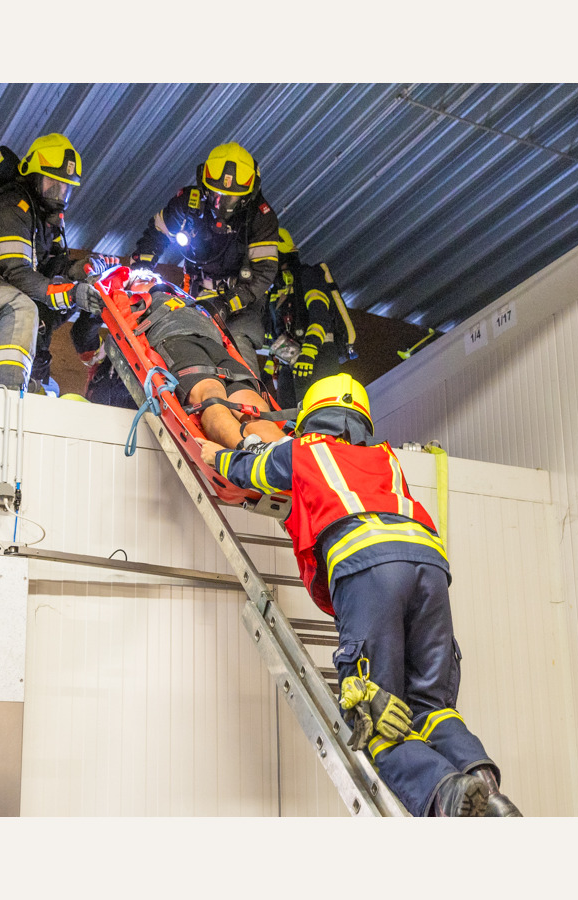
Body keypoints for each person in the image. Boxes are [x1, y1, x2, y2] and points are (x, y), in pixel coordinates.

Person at [197, 373, 522, 817]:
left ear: (312, 417)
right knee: (432, 708)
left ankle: (449, 796)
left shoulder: (304, 450)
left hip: (368, 567)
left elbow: (251, 471)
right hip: (429, 567)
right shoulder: (385, 458)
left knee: (374, 714)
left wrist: (217, 455)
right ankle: (492, 796)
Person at [0, 134, 105, 392]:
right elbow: (17, 274)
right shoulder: (13, 205)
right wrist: (71, 294)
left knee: (0, 351)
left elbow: (47, 273)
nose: (58, 193)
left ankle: (3, 395)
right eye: (52, 183)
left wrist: (78, 271)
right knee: (21, 309)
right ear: (33, 175)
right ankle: (8, 394)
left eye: (65, 188)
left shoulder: (43, 221)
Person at [130, 142, 279, 382]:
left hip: (241, 304)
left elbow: (264, 273)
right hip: (196, 295)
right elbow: (155, 234)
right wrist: (142, 268)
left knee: (239, 347)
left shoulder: (261, 217)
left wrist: (227, 304)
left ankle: (249, 395)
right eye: (216, 195)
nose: (222, 205)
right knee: (186, 341)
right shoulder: (188, 203)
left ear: (247, 196)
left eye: (231, 198)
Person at [91, 270, 287, 447]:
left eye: (155, 277)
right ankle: (247, 451)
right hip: (174, 339)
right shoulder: (131, 300)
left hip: (215, 343)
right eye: (141, 278)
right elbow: (101, 310)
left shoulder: (188, 300)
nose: (152, 279)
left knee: (253, 404)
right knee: (211, 395)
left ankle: (283, 453)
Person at [264, 227, 357, 409]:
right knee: (289, 418)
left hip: (319, 355)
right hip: (289, 361)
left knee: (320, 411)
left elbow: (320, 315)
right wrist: (266, 374)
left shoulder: (308, 276)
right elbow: (276, 334)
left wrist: (309, 352)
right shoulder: (275, 292)